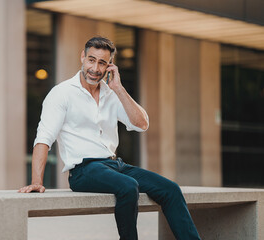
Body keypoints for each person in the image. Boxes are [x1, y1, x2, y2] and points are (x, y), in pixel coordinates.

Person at [19, 36, 201, 240]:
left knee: (171, 189)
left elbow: (142, 124)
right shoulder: (62, 93)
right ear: (82, 57)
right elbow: (44, 138)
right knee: (128, 186)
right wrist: (36, 181)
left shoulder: (111, 94)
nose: (95, 68)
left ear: (109, 66)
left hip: (115, 165)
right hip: (83, 170)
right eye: (91, 60)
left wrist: (118, 88)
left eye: (102, 63)